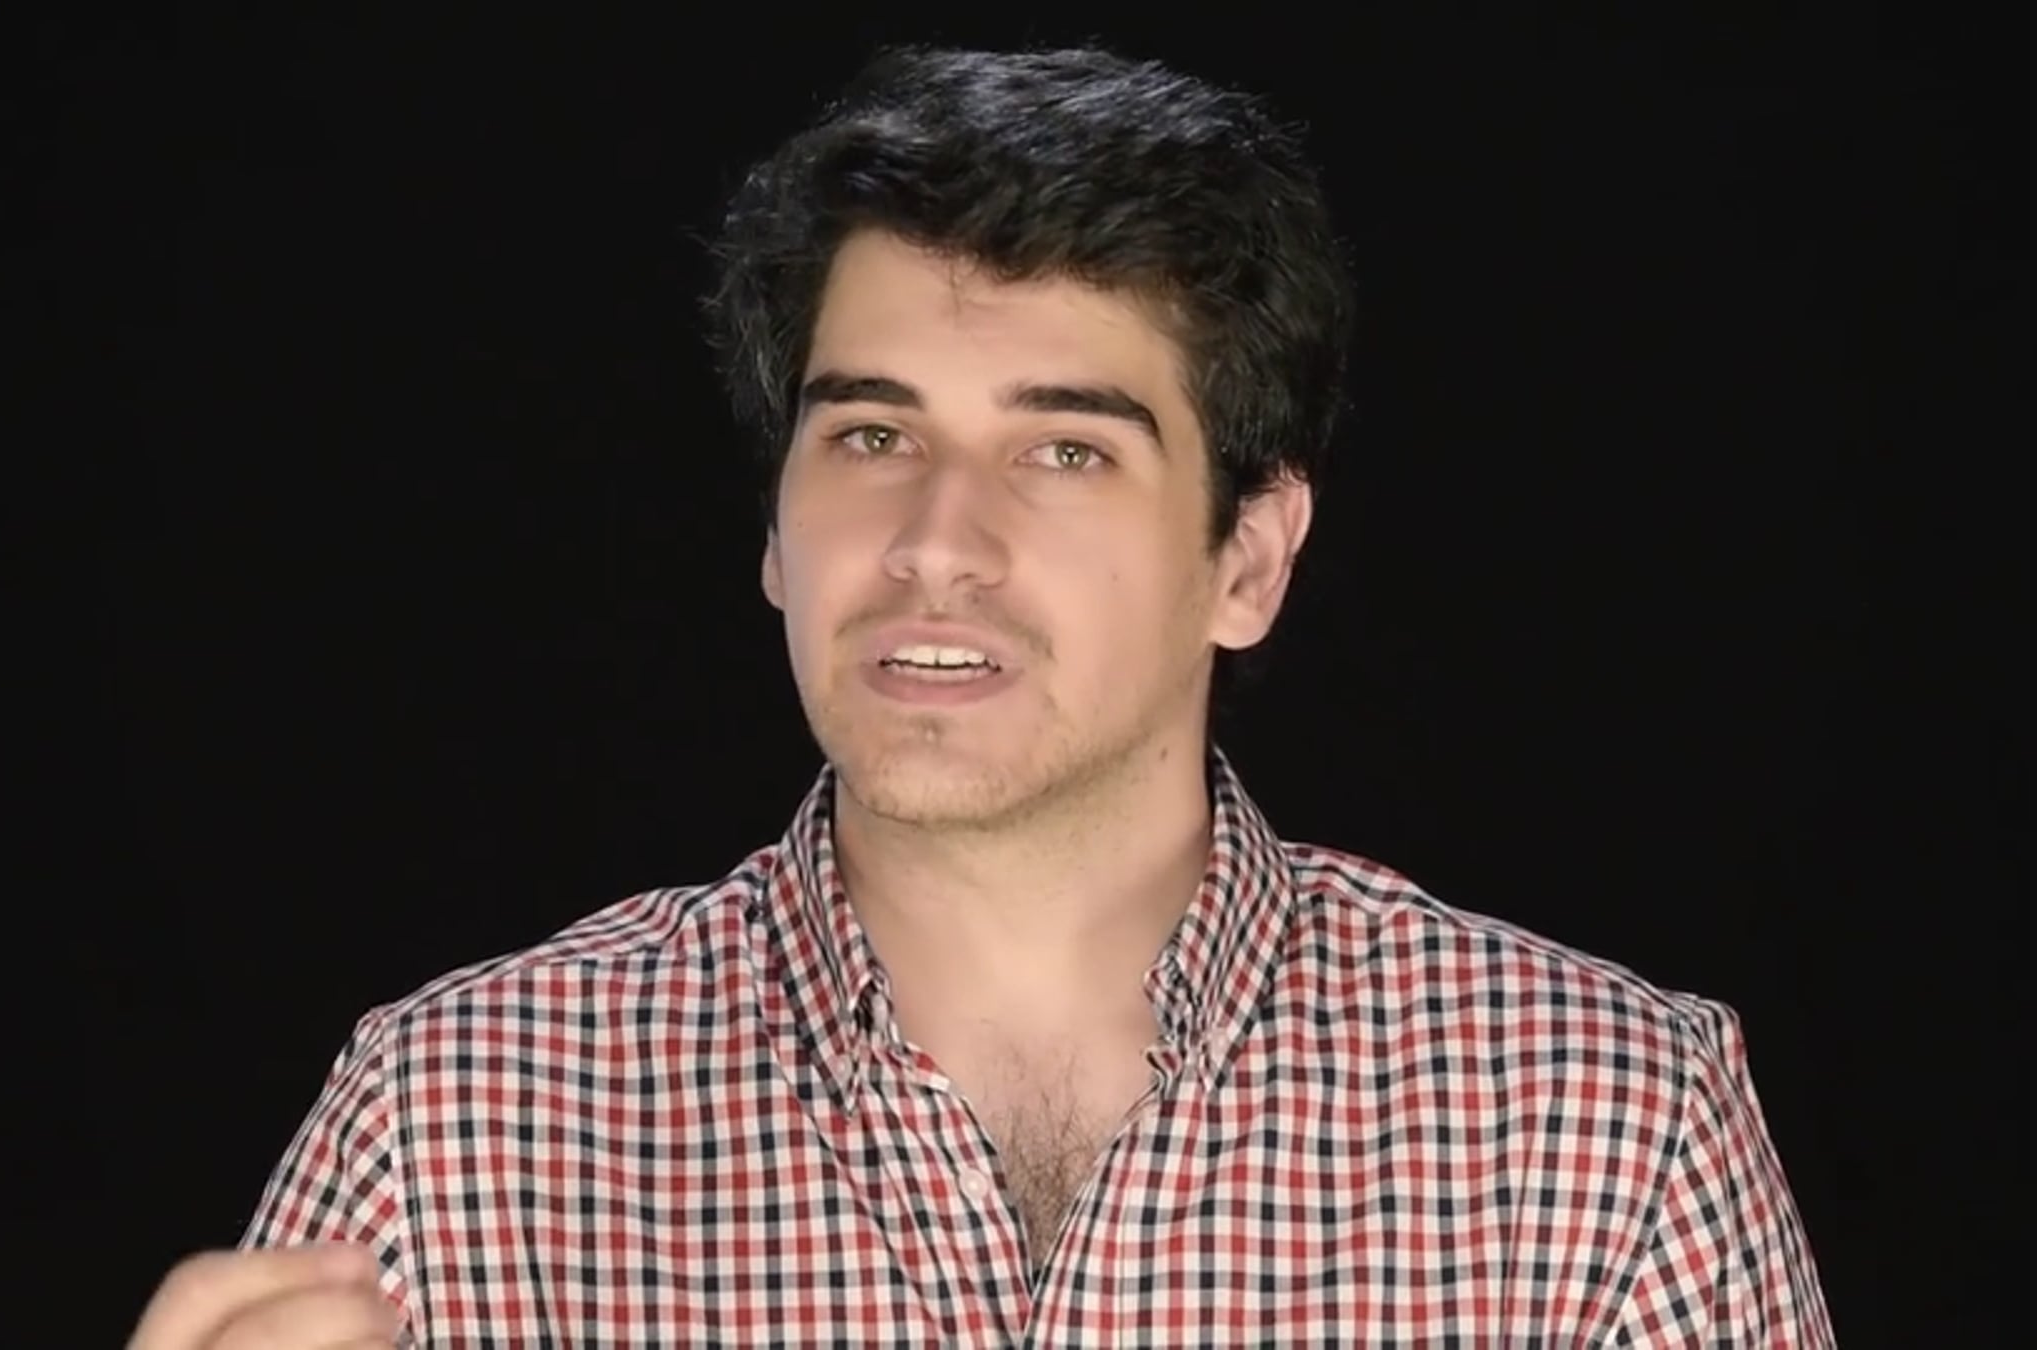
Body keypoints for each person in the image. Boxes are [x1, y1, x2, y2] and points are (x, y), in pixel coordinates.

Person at [127, 44, 1833, 1349]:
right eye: (873, 434)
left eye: (1065, 450)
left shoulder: (1601, 1137)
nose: (937, 541)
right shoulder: (453, 1132)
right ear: (777, 532)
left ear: (1249, 558)